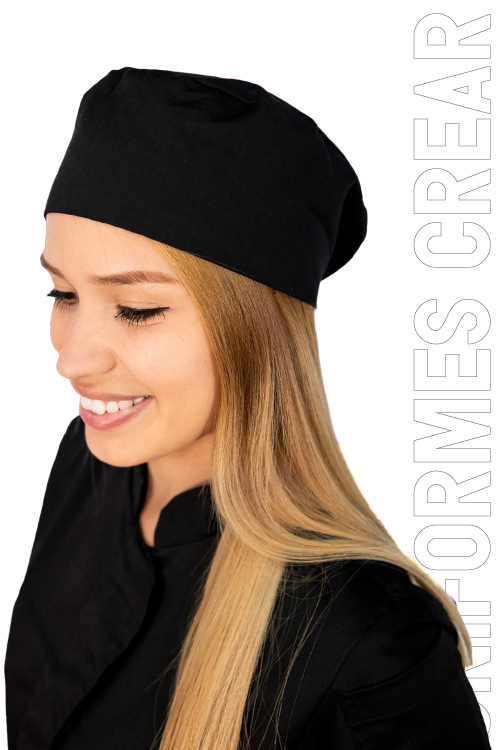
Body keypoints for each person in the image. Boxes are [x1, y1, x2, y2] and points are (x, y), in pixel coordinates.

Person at [4, 67, 491, 750]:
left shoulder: (377, 643)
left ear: (255, 335)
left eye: (136, 309)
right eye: (63, 294)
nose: (72, 360)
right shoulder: (87, 467)